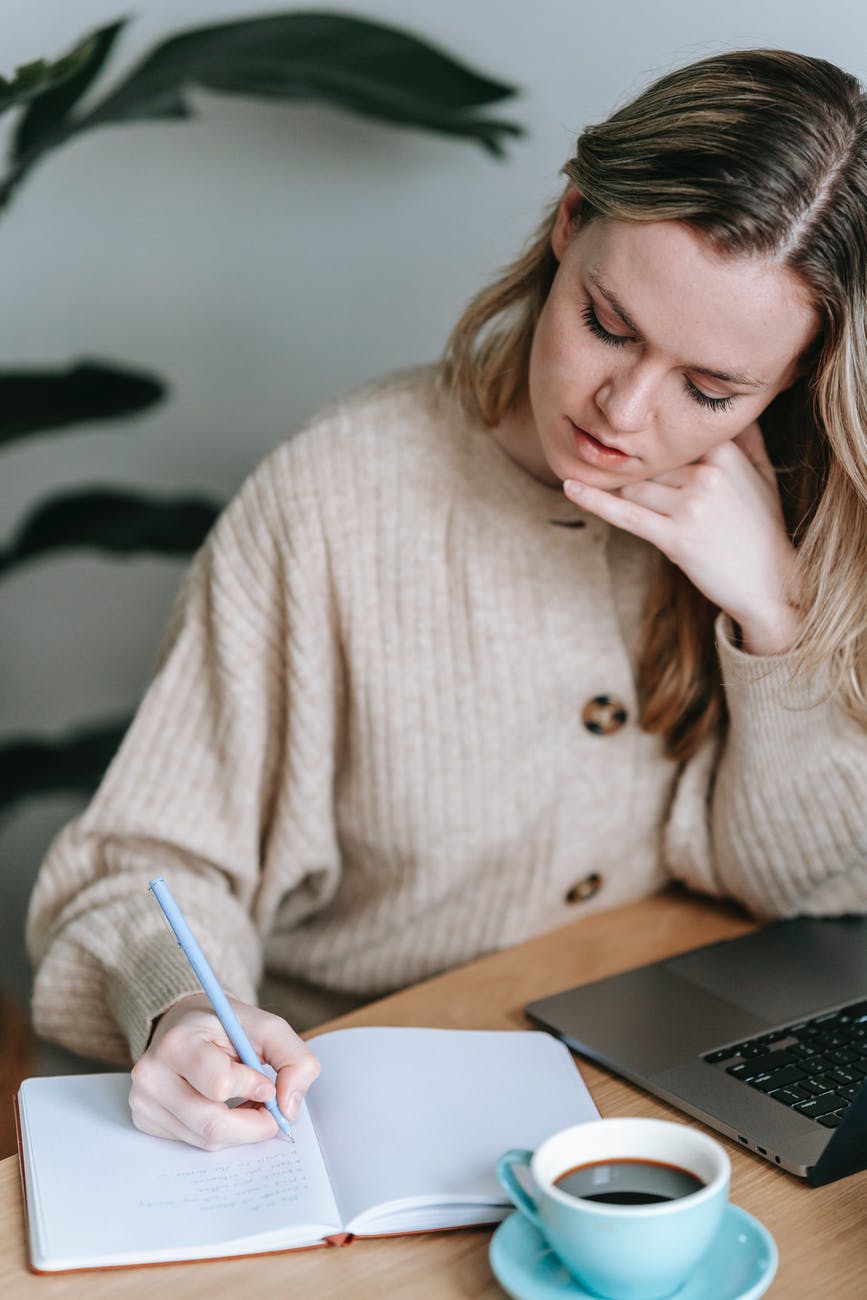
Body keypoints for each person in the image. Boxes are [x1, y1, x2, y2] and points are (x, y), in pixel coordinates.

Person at [27, 48, 867, 1150]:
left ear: (798, 377)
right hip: (347, 1101)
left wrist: (777, 619)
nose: (622, 407)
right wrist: (181, 1009)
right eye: (608, 323)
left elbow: (810, 892)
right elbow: (139, 869)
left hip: (656, 1094)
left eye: (711, 389)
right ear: (568, 221)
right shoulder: (338, 496)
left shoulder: (803, 515)